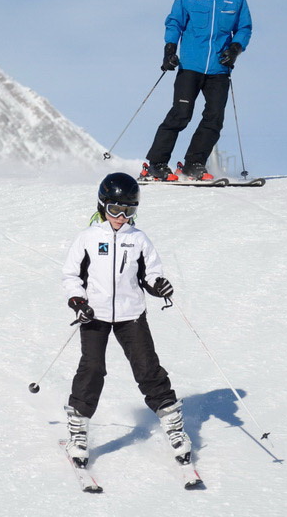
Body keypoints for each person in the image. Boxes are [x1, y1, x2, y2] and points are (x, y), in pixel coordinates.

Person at [61, 172, 191, 467]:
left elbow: (150, 273)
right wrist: (78, 301)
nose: (121, 217)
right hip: (94, 315)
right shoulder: (88, 238)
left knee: (147, 368)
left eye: (128, 211)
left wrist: (158, 286)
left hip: (131, 315)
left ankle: (173, 426)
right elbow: (71, 275)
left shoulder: (139, 239)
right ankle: (78, 430)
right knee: (92, 369)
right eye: (115, 210)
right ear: (102, 206)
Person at [144, 0, 252, 182]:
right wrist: (170, 49)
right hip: (190, 67)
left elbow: (244, 28)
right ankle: (157, 164)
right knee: (181, 114)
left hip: (219, 69)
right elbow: (175, 22)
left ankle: (194, 163)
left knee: (214, 119)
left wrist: (235, 49)